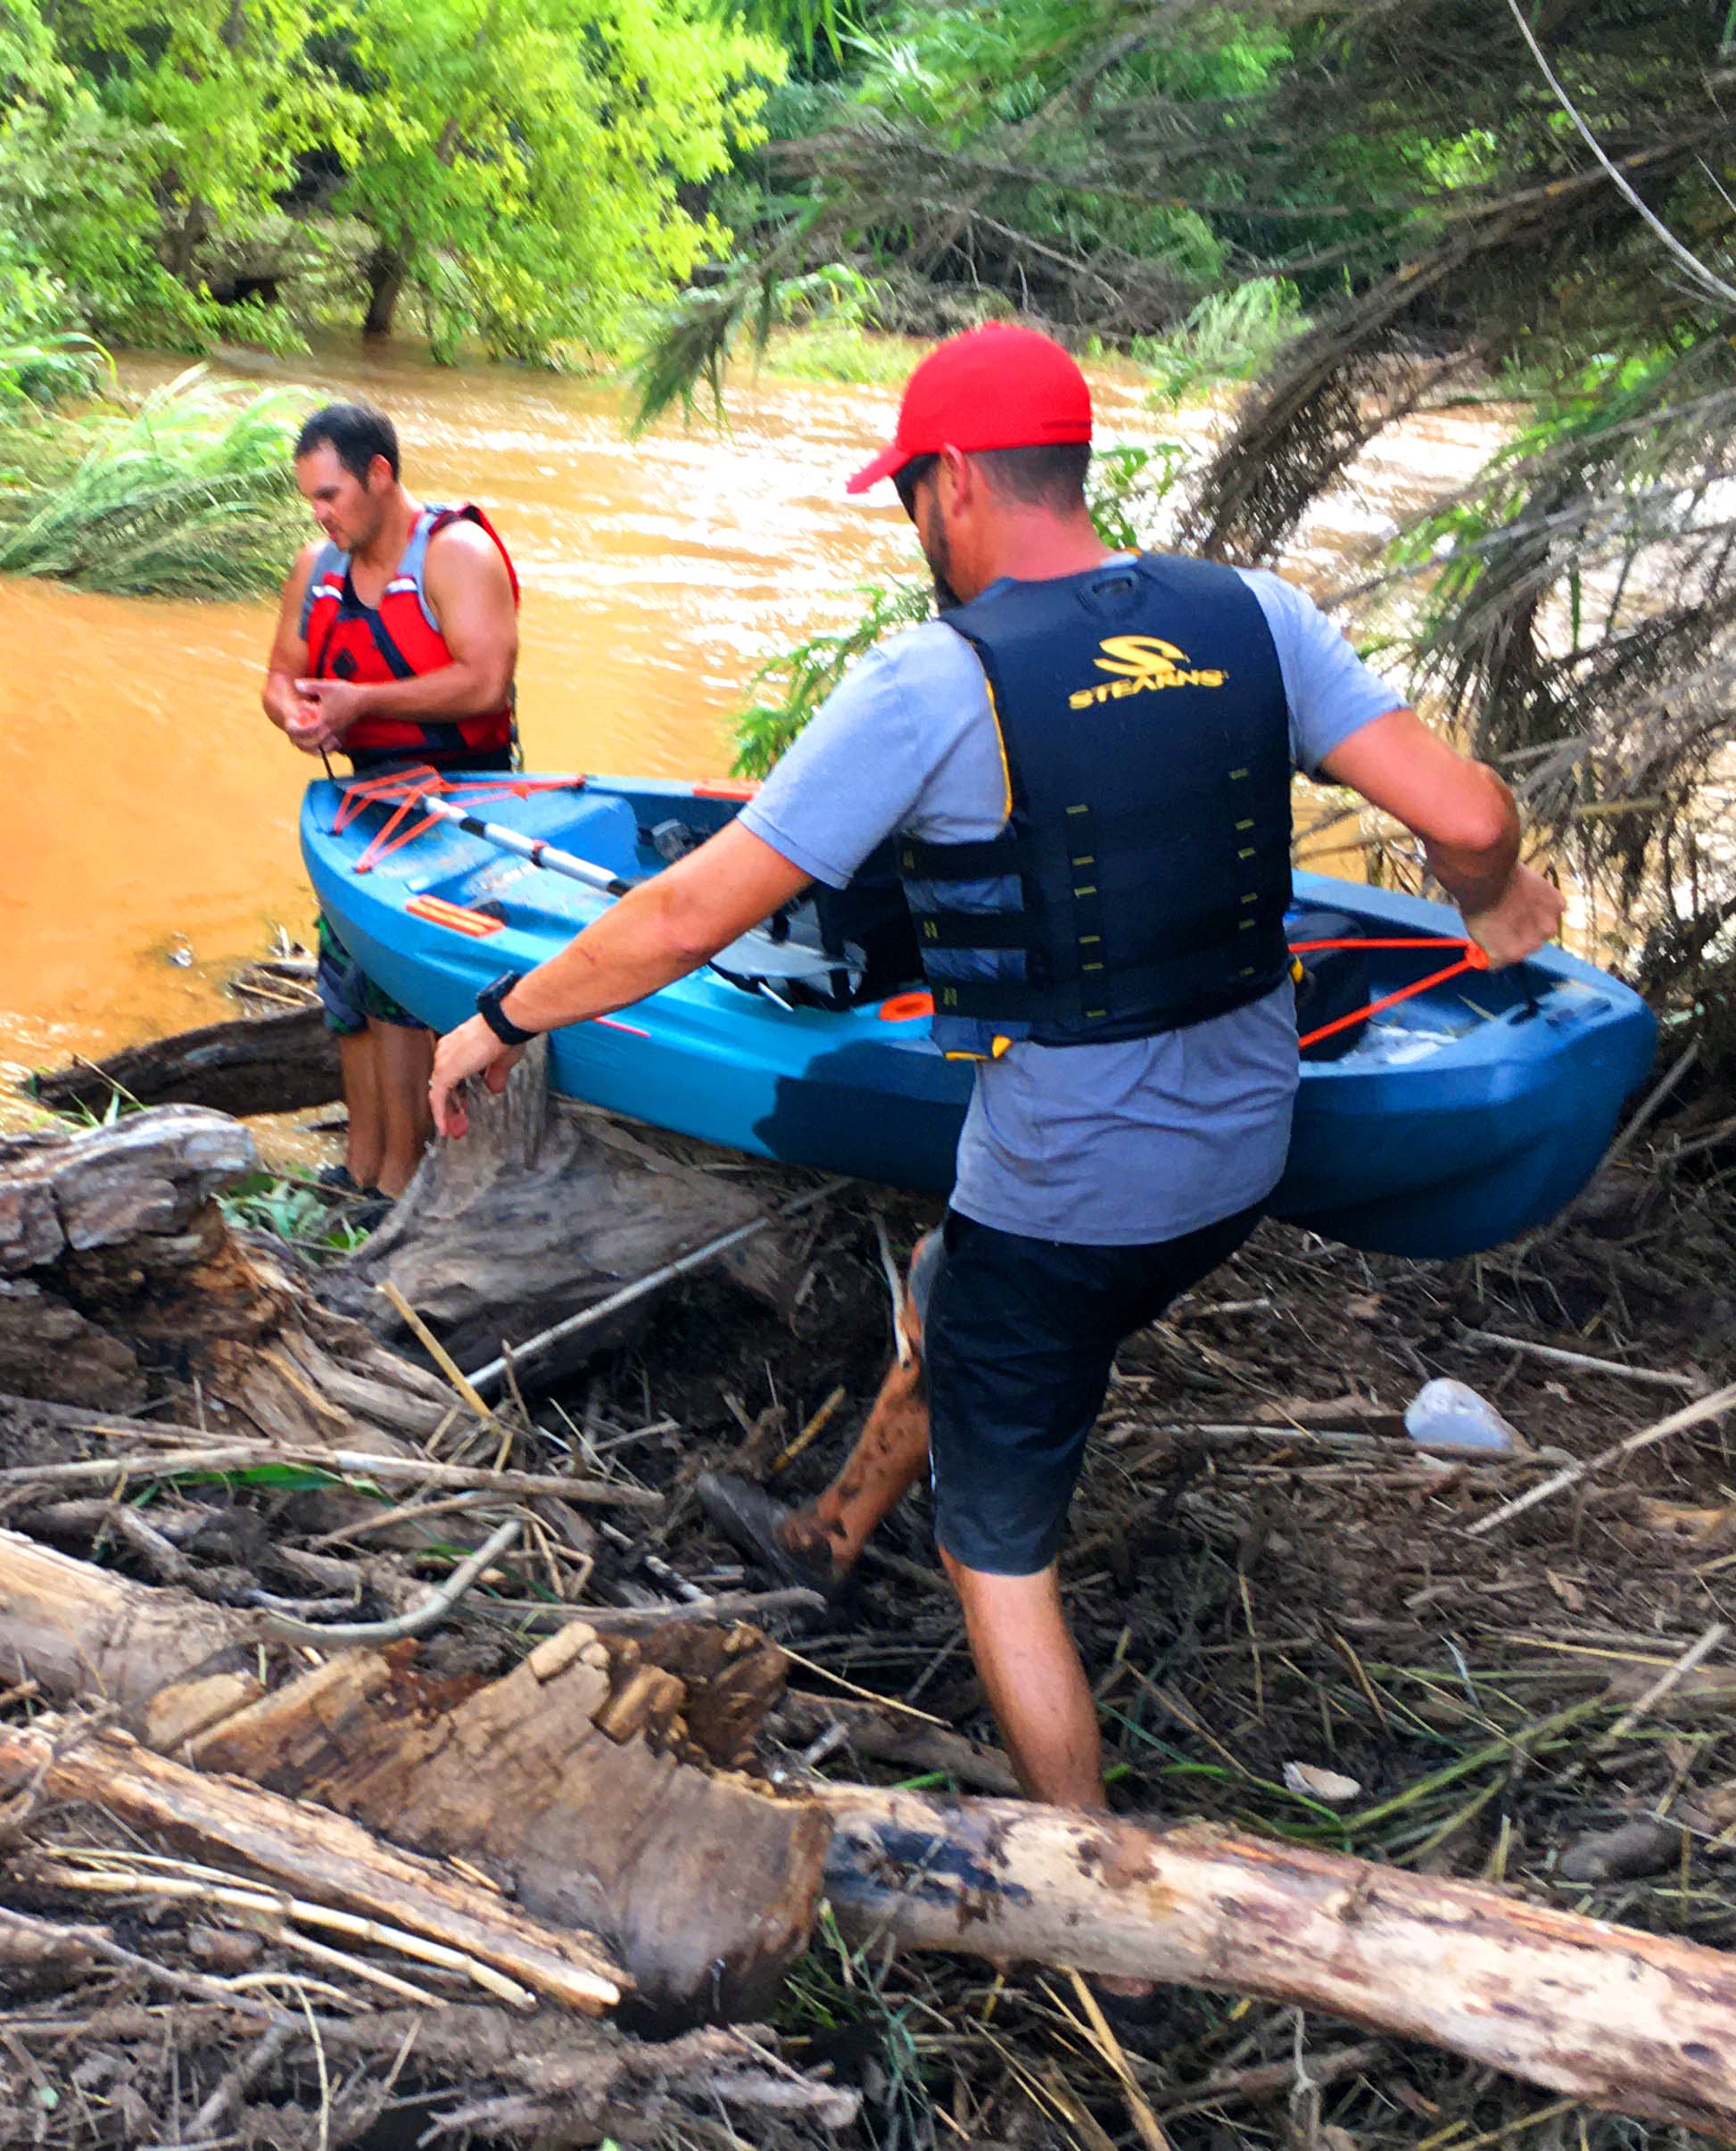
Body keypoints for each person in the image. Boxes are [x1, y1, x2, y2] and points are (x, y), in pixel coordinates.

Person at [426, 323, 1564, 1830]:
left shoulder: (927, 680)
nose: (913, 528)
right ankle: (825, 1535)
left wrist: (500, 1016)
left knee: (997, 1542)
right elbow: (1468, 808)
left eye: (908, 495)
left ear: (953, 483)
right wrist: (1487, 898)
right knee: (944, 1281)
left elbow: (689, 914)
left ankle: (1083, 1875)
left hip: (1076, 1187)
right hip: (1243, 1147)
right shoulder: (1254, 617)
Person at [263, 401, 521, 1204]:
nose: (320, 512)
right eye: (310, 496)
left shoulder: (457, 553)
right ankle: (360, 1168)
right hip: (360, 805)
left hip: (460, 805)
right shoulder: (316, 566)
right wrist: (297, 714)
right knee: (345, 985)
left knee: (401, 990)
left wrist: (360, 703)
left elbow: (485, 681)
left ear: (381, 475)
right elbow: (278, 675)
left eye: (331, 494)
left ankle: (403, 1186)